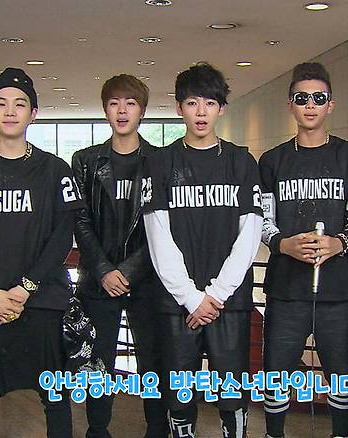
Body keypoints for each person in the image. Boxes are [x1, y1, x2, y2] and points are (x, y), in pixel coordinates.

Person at [0, 67, 80, 438]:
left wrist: (25, 288)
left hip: (42, 301)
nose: (10, 111)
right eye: (1, 103)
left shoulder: (55, 170)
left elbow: (62, 236)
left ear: (33, 114)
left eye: (20, 104)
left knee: (55, 396)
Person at [142, 62, 263, 438]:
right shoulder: (160, 163)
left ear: (221, 108)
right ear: (179, 107)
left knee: (232, 393)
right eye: (192, 103)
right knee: (179, 395)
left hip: (229, 302)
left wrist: (216, 294)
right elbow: (157, 236)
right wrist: (191, 298)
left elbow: (250, 235)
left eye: (210, 103)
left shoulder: (241, 162)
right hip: (177, 302)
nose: (201, 112)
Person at [259, 62, 348, 438]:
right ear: (290, 104)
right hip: (286, 291)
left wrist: (340, 243)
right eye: (301, 98)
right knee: (276, 375)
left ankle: (340, 433)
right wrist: (283, 244)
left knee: (340, 374)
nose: (310, 105)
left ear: (330, 105)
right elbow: (263, 220)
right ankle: (274, 433)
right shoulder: (272, 161)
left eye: (318, 98)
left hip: (337, 291)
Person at [72, 74, 168, 438]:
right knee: (99, 363)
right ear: (105, 110)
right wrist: (103, 270)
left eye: (130, 103)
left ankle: (156, 429)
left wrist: (128, 271)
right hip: (98, 281)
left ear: (142, 110)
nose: (122, 111)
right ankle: (97, 430)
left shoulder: (160, 161)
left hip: (148, 280)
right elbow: (80, 221)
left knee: (153, 362)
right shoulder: (85, 160)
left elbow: (165, 226)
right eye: (114, 103)